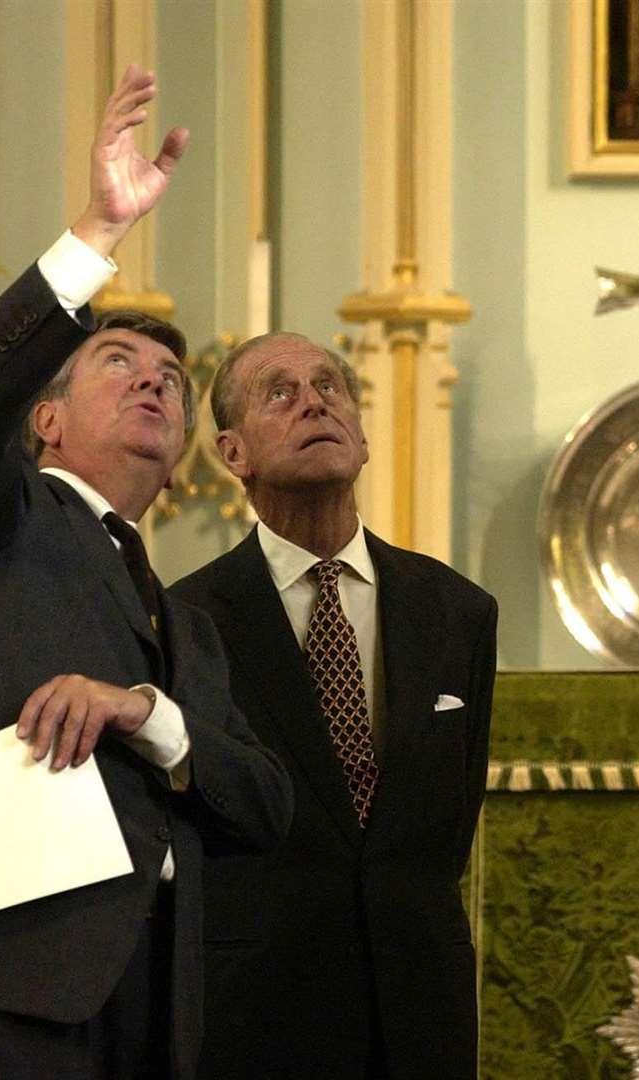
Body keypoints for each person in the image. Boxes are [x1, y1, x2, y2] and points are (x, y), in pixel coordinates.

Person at [0, 65, 295, 1079]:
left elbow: (266, 802)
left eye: (170, 381)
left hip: (165, 1010)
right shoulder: (4, 516)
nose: (156, 383)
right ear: (45, 417)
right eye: (118, 365)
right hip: (14, 991)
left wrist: (146, 713)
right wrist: (95, 236)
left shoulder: (188, 625)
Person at [171, 332, 497, 1079]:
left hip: (421, 1009)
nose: (313, 401)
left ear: (362, 435)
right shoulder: (187, 619)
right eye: (278, 393)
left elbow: (452, 822)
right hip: (254, 1013)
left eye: (329, 386)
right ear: (232, 452)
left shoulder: (458, 611)